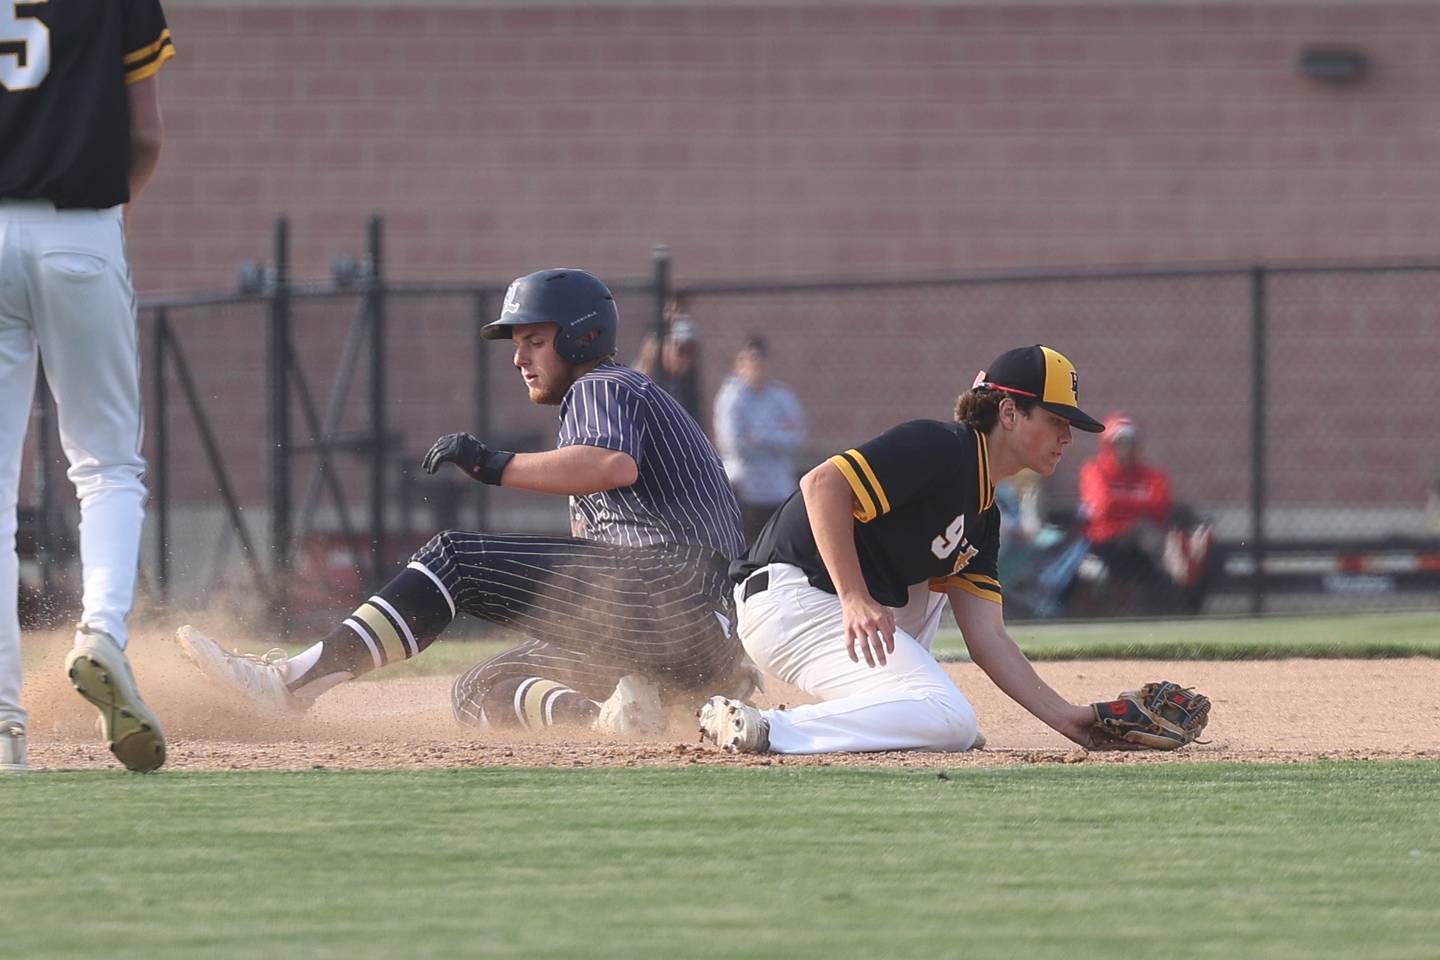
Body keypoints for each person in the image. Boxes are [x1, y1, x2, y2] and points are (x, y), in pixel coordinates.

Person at [177, 269, 756, 737]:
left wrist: (491, 464)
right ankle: (611, 720)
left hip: (672, 591)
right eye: (517, 342)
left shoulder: (602, 385)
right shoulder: (611, 397)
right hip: (695, 639)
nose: (518, 356)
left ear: (581, 337)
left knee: (454, 557)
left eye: (534, 339)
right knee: (475, 690)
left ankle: (289, 685)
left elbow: (610, 463)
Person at [698, 344, 1121, 755]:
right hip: (792, 599)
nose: (1067, 436)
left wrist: (1069, 719)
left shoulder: (984, 515)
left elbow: (988, 635)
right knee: (953, 720)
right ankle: (771, 726)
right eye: (1055, 420)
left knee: (941, 587)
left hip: (823, 608)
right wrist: (854, 597)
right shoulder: (941, 446)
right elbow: (822, 484)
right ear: (1009, 413)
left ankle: (909, 714)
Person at [1, 2, 175, 773]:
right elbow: (145, 134)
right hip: (78, 227)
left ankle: (8, 727)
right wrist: (117, 212)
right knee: (106, 466)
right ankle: (101, 632)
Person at [1077, 412, 1214, 613]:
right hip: (1107, 542)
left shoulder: (1151, 474)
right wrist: (1141, 505)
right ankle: (1181, 568)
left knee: (1162, 535)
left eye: (1131, 442)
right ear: (1108, 445)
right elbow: (1103, 506)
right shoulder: (1094, 470)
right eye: (1121, 442)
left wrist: (1123, 505)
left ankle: (1184, 571)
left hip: (1144, 542)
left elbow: (1162, 505)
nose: (1126, 448)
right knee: (1148, 532)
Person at [712, 335, 808, 543]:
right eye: (750, 358)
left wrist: (757, 435)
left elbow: (797, 438)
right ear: (739, 363)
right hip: (744, 487)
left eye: (760, 358)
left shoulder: (782, 396)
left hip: (778, 488)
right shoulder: (731, 397)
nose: (756, 364)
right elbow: (733, 444)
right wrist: (775, 434)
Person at [633, 310, 702, 421]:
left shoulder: (686, 387)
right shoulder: (643, 377)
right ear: (662, 347)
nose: (686, 359)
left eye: (691, 352)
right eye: (681, 351)